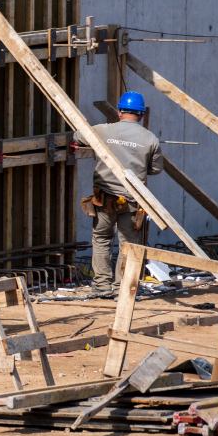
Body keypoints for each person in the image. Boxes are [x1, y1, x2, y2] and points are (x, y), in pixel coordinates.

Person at [84, 91, 164, 296]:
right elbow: (155, 170)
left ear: (119, 112)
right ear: (142, 114)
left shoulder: (103, 130)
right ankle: (122, 288)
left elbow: (78, 134)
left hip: (104, 198)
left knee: (102, 239)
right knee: (128, 244)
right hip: (131, 200)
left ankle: (102, 287)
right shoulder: (150, 138)